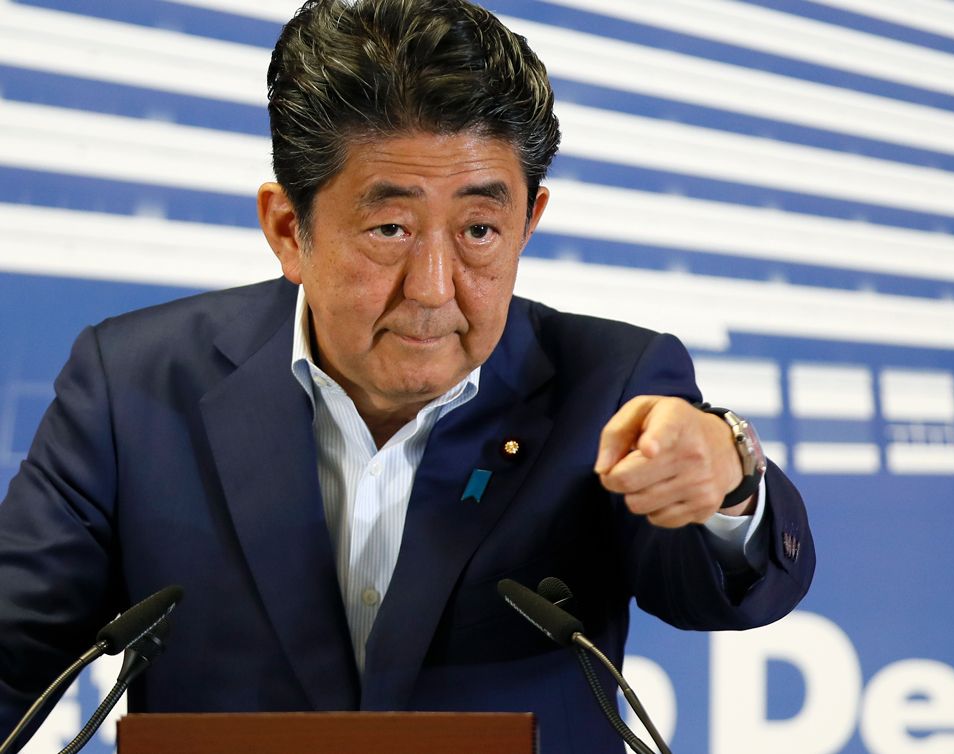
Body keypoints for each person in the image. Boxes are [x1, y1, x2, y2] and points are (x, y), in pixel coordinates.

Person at [0, 1, 814, 751]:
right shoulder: (133, 383)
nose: (432, 288)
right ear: (287, 228)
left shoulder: (610, 385)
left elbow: (725, 590)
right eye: (390, 227)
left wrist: (730, 475)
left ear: (529, 221)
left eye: (479, 230)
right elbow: (11, 653)